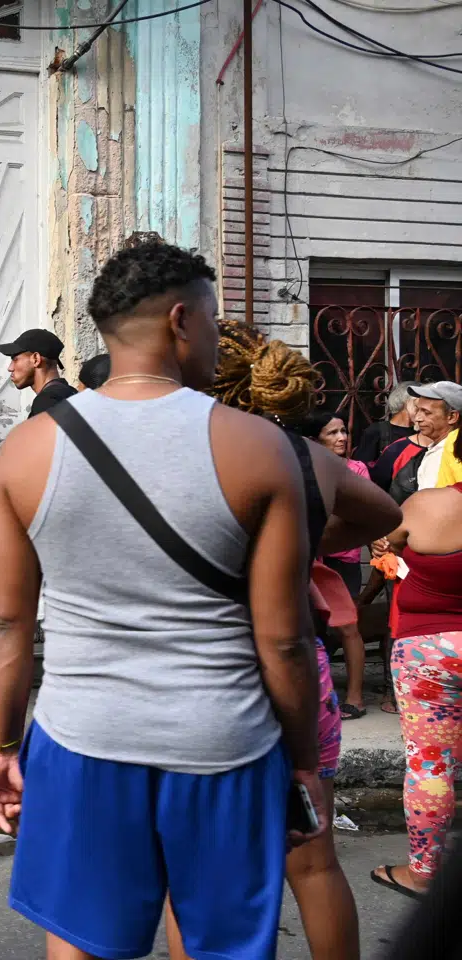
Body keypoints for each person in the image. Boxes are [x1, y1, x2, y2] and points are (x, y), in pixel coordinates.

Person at [0, 239, 325, 960]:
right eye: (212, 318)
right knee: (219, 946)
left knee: (82, 941)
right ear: (180, 322)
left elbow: (10, 624)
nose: (217, 336)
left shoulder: (25, 450)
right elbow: (284, 639)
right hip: (224, 742)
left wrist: (1, 745)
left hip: (82, 737)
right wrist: (302, 763)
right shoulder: (259, 447)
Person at [195, 322, 402, 960]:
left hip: (214, 675)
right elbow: (387, 515)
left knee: (209, 873)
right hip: (302, 674)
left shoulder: (190, 452)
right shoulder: (305, 457)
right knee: (314, 864)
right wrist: (310, 536)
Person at [369, 480, 462, 900]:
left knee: (430, 765)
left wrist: (385, 551)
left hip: (430, 650)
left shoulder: (429, 504)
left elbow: (383, 544)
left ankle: (423, 874)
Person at [302, 409, 372, 719]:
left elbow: (357, 514)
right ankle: (317, 696)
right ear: (315, 439)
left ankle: (355, 698)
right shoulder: (305, 469)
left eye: (343, 431)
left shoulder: (355, 470)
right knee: (310, 627)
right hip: (312, 557)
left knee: (348, 627)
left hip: (342, 559)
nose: (342, 438)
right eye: (333, 433)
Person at [372, 383, 461, 502]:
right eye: (418, 410)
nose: (418, 418)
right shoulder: (435, 448)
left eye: (426, 412)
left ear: (452, 417)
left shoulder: (455, 449)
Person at [0, 328, 76, 418]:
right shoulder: (72, 392)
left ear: (36, 359)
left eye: (15, 359)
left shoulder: (46, 401)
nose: (10, 368)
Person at [355, 381, 419, 465]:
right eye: (419, 404)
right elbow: (362, 469)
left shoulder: (423, 432)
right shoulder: (377, 431)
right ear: (407, 403)